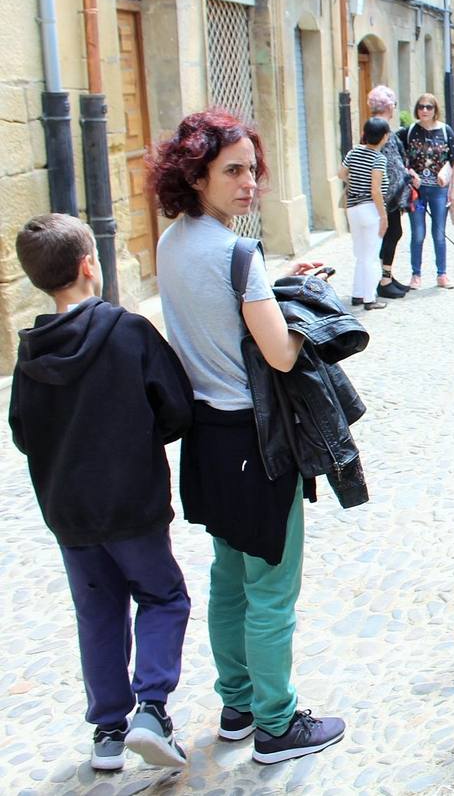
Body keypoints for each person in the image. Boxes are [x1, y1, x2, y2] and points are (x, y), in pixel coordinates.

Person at [150, 109, 347, 765]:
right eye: (231, 171)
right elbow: (282, 354)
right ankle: (276, 724)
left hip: (206, 440)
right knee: (270, 588)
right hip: (254, 439)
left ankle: (236, 703)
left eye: (252, 170)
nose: (248, 183)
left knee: (229, 577)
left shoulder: (171, 243)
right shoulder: (236, 254)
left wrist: (276, 292)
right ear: (196, 174)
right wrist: (307, 304)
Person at [8, 213, 194, 772]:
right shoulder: (127, 329)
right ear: (91, 264)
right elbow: (176, 406)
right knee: (163, 597)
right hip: (132, 504)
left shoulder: (30, 353)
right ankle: (152, 710)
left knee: (98, 611)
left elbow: (21, 431)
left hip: (70, 513)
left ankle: (108, 731)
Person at [402, 92, 454, 290]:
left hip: (438, 190)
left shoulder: (445, 131)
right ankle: (416, 275)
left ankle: (441, 274)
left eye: (429, 107)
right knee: (417, 233)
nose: (424, 110)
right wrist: (409, 173)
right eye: (421, 106)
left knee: (439, 233)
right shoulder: (409, 132)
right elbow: (399, 157)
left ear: (435, 110)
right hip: (416, 190)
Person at [364, 86, 417, 299]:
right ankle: (384, 280)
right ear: (388, 106)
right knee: (391, 234)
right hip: (387, 196)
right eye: (393, 104)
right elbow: (389, 165)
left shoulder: (375, 127)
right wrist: (404, 182)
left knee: (393, 233)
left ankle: (387, 276)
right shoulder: (382, 129)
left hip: (386, 194)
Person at [338, 118, 391, 310]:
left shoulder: (353, 152)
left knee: (360, 254)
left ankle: (358, 293)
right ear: (384, 137)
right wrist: (383, 216)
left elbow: (341, 174)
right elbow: (376, 190)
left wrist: (353, 181)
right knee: (371, 255)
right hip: (370, 209)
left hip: (353, 208)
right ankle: (370, 298)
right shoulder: (378, 159)